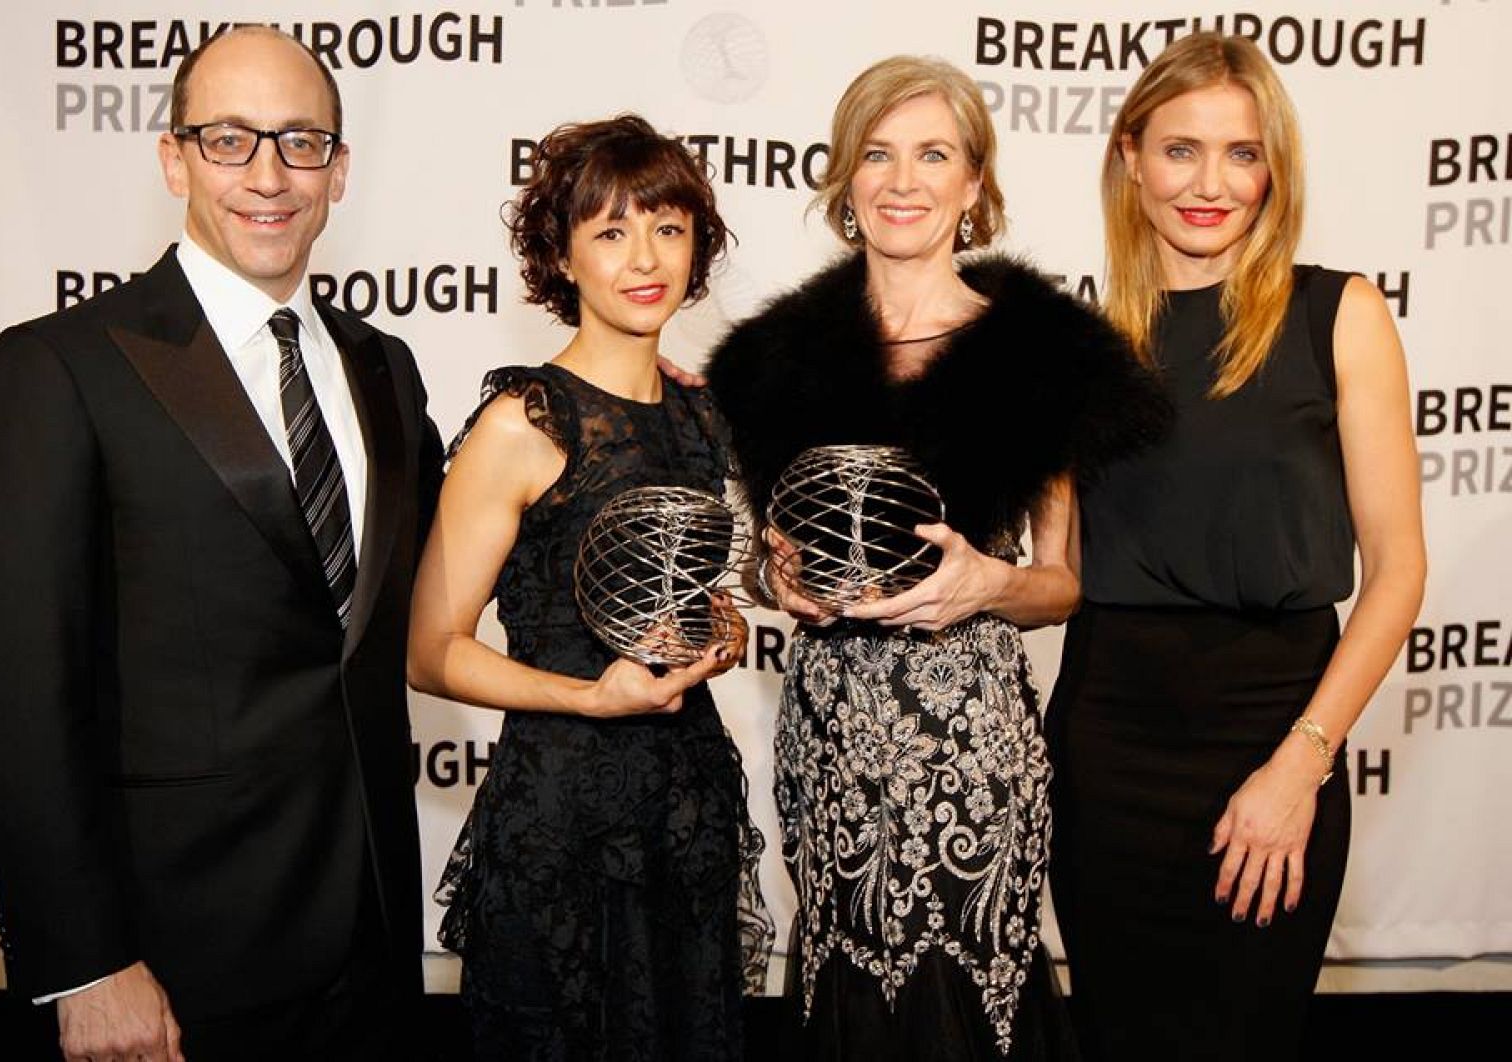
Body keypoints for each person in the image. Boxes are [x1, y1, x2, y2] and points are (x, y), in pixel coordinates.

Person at [0, 26, 444, 1061]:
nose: (268, 175)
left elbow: (446, 582)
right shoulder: (62, 368)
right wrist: (85, 963)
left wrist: (630, 407)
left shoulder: (384, 369)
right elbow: (15, 692)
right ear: (173, 157)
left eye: (300, 141)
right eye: (228, 140)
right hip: (174, 965)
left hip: (375, 943)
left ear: (339, 168)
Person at [705, 56, 1166, 1061]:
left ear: (973, 186)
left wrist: (985, 585)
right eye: (877, 154)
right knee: (847, 991)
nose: (902, 181)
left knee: (972, 1008)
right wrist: (775, 582)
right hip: (829, 745)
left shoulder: (1035, 352)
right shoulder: (776, 358)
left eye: (932, 155)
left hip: (974, 755)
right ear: (844, 179)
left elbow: (1060, 584)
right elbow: (759, 565)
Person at [1045, 33, 1427, 1062]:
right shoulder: (1080, 343)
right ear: (1130, 156)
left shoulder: (1336, 314)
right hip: (1106, 748)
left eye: (1241, 154)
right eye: (1180, 150)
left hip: (1273, 733)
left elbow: (1397, 570)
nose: (1209, 184)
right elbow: (1050, 573)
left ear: (1274, 171)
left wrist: (1300, 761)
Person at [407, 114, 772, 1060]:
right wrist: (592, 696)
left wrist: (716, 630)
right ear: (562, 258)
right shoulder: (522, 422)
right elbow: (432, 650)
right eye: (610, 231)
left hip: (685, 813)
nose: (644, 256)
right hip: (563, 819)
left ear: (698, 244)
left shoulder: (700, 417)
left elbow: (671, 593)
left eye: (667, 226)